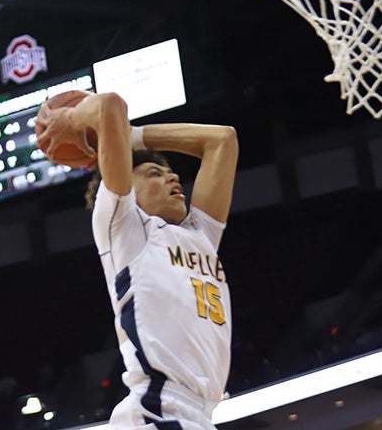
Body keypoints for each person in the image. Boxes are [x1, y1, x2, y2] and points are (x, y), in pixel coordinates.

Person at [36, 91, 238, 429]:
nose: (173, 177)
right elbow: (110, 106)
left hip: (194, 416)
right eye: (155, 174)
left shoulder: (200, 235)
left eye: (170, 172)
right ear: (127, 190)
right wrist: (71, 120)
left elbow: (222, 140)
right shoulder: (125, 228)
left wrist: (134, 137)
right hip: (157, 411)